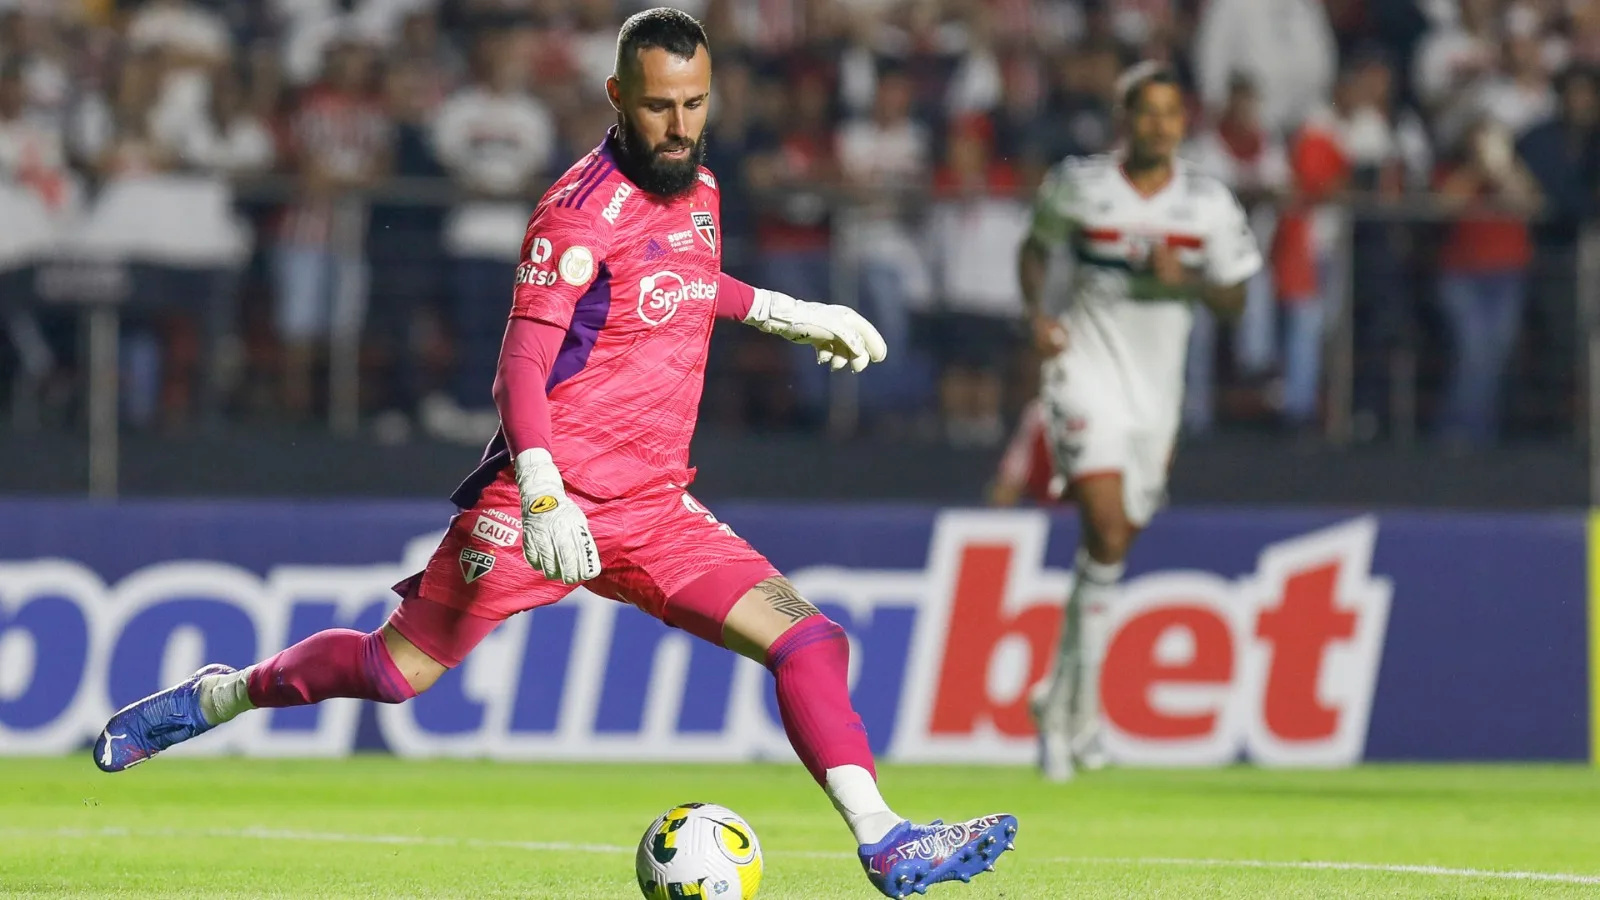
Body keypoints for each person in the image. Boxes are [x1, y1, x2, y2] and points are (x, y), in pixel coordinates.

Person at [91, 10, 1017, 898]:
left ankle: (885, 840)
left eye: (695, 104)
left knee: (811, 641)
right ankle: (226, 695)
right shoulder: (577, 212)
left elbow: (685, 281)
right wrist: (541, 496)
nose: (679, 125)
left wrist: (786, 312)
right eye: (659, 105)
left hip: (655, 507)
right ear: (618, 94)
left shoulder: (702, 190)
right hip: (544, 503)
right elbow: (520, 368)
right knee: (393, 672)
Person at [1016, 62, 1264, 782]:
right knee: (1106, 528)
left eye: (1171, 113)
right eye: (1147, 112)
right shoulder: (1080, 184)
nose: (1160, 125)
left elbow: (1237, 302)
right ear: (1126, 120)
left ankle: (1057, 702)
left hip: (1158, 394)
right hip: (1083, 371)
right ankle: (1081, 716)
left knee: (1111, 546)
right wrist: (1038, 316)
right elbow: (1034, 247)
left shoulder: (1209, 204)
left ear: (1184, 123)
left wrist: (1190, 281)